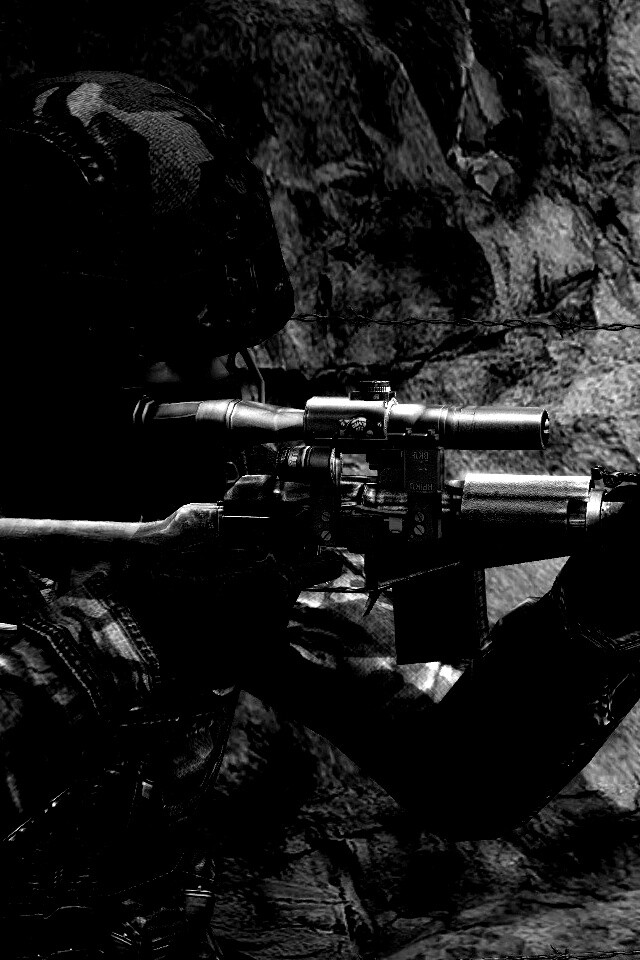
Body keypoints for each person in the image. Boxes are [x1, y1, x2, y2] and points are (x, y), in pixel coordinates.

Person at [0, 70, 639, 960]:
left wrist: (599, 620)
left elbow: (464, 772)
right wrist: (125, 635)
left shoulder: (208, 495)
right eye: (169, 356)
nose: (222, 389)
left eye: (230, 350)